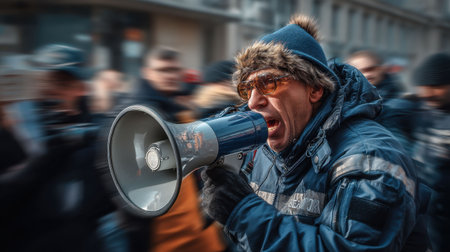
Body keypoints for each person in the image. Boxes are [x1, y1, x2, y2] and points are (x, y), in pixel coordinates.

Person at [200, 15, 427, 251]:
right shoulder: (264, 151)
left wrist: (243, 212)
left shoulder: (372, 160)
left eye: (268, 83)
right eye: (246, 89)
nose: (253, 102)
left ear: (315, 89)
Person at [100, 46, 226, 252]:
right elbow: (116, 174)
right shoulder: (129, 114)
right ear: (146, 72)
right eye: (162, 70)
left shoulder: (178, 110)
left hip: (191, 229)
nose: (170, 76)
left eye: (174, 70)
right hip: (160, 235)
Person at [0, 44, 120, 251]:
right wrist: (47, 157)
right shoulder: (13, 133)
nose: (51, 90)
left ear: (80, 88)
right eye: (44, 81)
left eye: (62, 82)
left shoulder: (99, 133)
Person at [409, 53, 450, 252]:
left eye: (436, 86)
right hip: (425, 216)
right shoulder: (422, 111)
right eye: (424, 87)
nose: (428, 93)